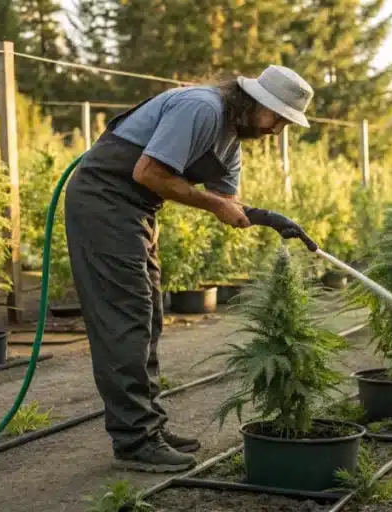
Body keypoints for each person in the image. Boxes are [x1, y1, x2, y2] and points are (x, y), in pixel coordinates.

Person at [64, 65, 319, 473]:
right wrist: (214, 204)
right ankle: (134, 440)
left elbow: (228, 204)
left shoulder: (230, 143)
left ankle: (149, 427)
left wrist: (270, 219)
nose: (277, 130)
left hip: (138, 212)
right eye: (277, 118)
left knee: (148, 317)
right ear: (255, 101)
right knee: (125, 319)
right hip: (102, 202)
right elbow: (147, 172)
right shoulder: (201, 108)